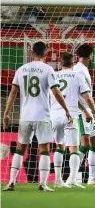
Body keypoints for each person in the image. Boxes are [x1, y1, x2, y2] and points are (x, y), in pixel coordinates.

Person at [2, 42, 72, 192]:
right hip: (42, 116)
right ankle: (43, 184)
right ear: (46, 54)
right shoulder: (48, 69)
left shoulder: (21, 70)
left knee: (20, 149)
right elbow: (56, 92)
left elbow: (13, 93)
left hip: (25, 116)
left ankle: (11, 182)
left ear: (31, 52)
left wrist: (6, 113)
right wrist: (66, 109)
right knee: (44, 150)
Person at [51, 52, 95, 189]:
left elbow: (50, 95)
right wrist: (94, 111)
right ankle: (72, 179)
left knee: (59, 147)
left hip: (54, 114)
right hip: (71, 115)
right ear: (73, 63)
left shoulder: (53, 76)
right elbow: (87, 97)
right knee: (74, 148)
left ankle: (57, 180)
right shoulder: (77, 76)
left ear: (60, 63)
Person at [72, 44, 95, 185]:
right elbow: (82, 95)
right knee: (84, 144)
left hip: (87, 111)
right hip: (81, 112)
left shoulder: (82, 69)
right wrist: (92, 111)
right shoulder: (78, 70)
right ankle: (71, 178)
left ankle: (92, 178)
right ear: (90, 55)